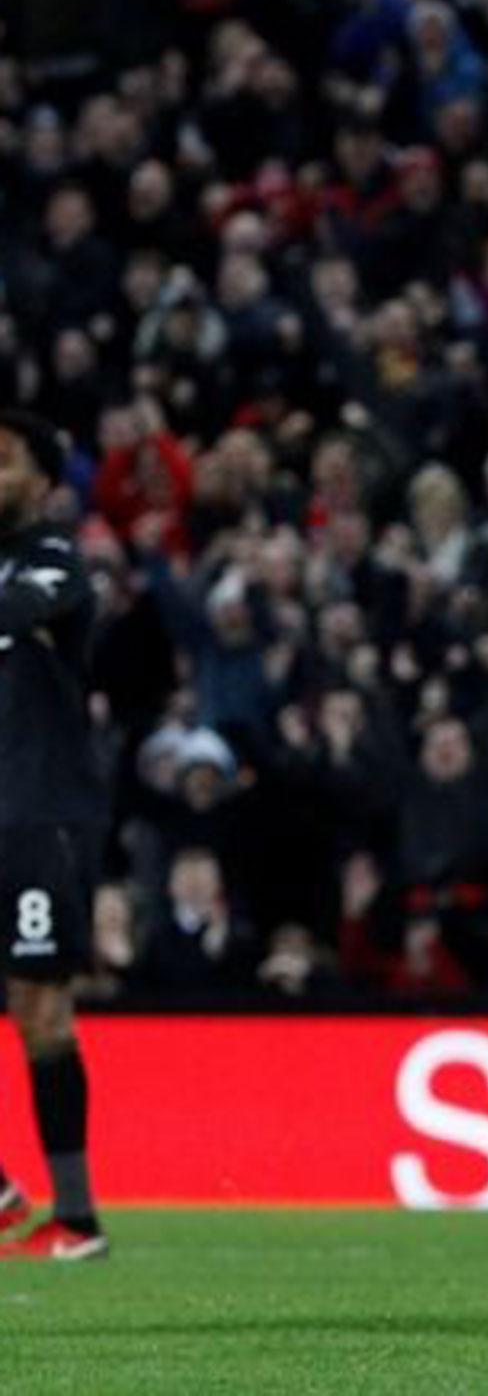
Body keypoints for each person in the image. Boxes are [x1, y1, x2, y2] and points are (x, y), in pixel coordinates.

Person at [0, 410, 111, 1259]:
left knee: (42, 1011)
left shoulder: (55, 561)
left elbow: (29, 603)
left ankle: (75, 1219)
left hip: (40, 813)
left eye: (1, 462)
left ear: (42, 477)